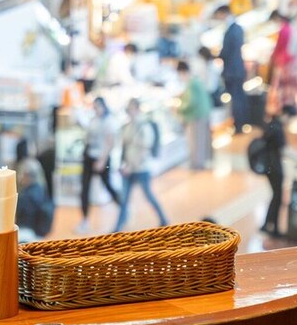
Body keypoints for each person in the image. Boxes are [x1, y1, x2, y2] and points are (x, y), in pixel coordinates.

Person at [112, 98, 168, 232]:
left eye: (131, 108)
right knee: (124, 199)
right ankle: (117, 228)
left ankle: (164, 220)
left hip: (141, 169)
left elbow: (144, 149)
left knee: (149, 196)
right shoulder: (127, 126)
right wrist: (124, 164)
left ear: (137, 109)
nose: (129, 111)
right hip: (128, 169)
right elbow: (125, 147)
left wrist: (131, 166)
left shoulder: (144, 126)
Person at [77, 95, 123, 218]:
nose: (96, 109)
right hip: (89, 157)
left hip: (102, 159)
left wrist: (102, 160)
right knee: (85, 189)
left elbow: (110, 142)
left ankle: (123, 208)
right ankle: (84, 219)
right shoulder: (93, 120)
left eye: (98, 107)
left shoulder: (109, 121)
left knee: (108, 185)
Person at [175, 59, 212, 170]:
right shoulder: (195, 81)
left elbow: (191, 102)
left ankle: (196, 164)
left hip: (196, 116)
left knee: (196, 142)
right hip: (203, 113)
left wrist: (179, 108)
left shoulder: (192, 83)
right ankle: (199, 163)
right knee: (200, 140)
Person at [212, 4, 248, 119]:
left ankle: (238, 125)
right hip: (237, 68)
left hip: (232, 70)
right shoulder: (237, 28)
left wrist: (217, 55)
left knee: (236, 97)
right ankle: (240, 122)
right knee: (239, 96)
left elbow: (227, 51)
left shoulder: (231, 29)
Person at [258, 114, 288, 238]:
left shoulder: (270, 127)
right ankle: (274, 228)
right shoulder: (278, 129)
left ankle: (267, 224)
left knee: (275, 196)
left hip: (269, 167)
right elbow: (284, 149)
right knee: (278, 197)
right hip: (275, 167)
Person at [15, 157, 55, 239]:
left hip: (28, 234)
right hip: (39, 235)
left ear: (27, 176)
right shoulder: (41, 190)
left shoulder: (27, 196)